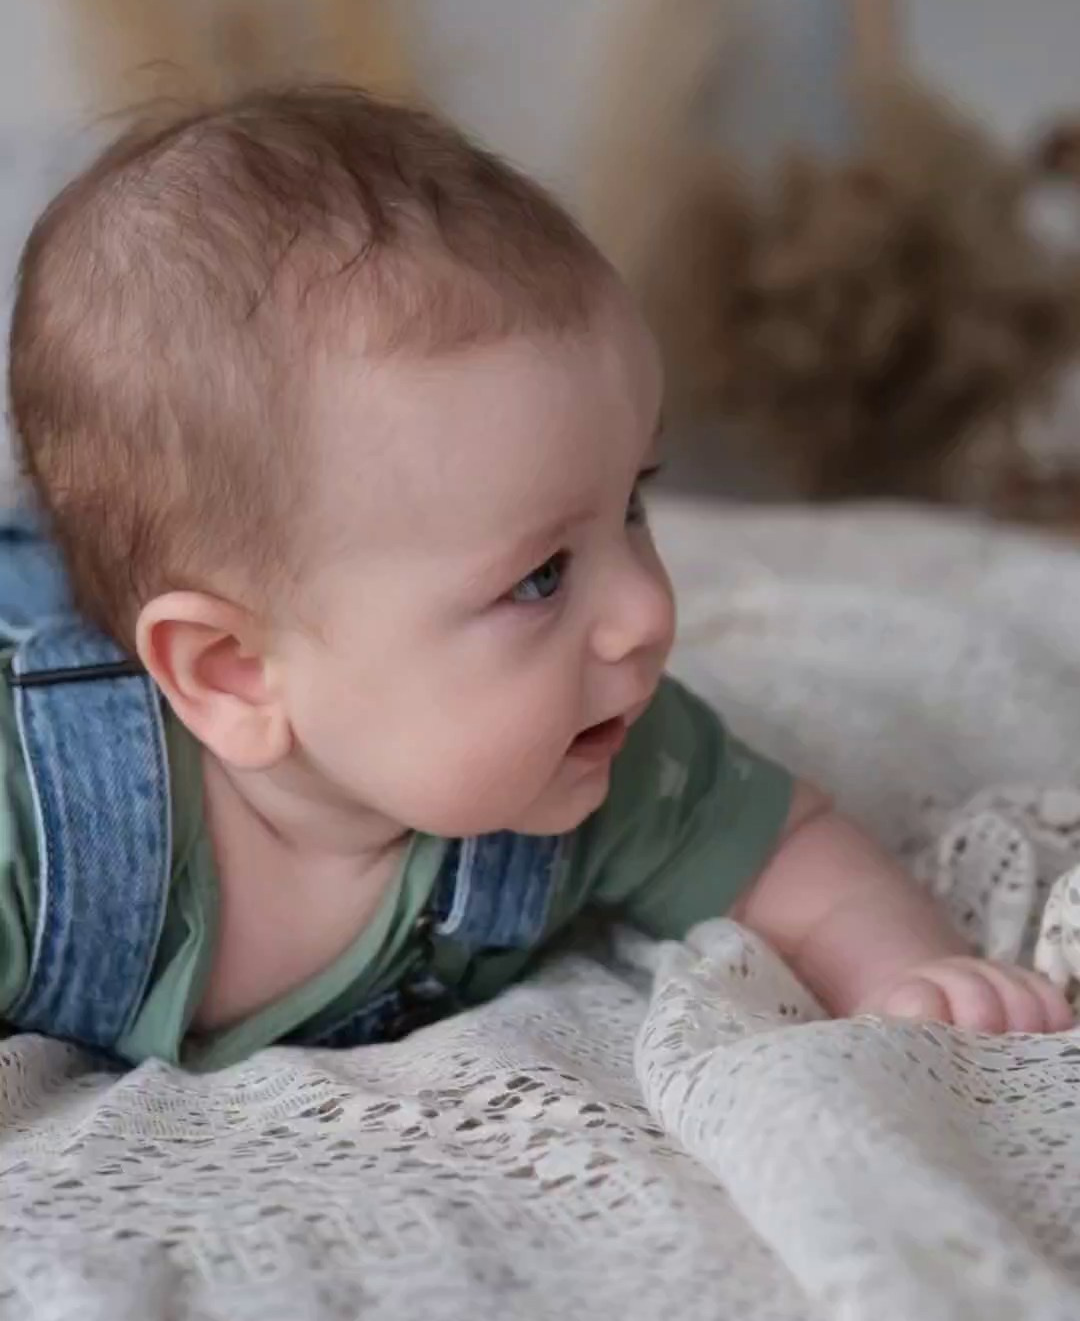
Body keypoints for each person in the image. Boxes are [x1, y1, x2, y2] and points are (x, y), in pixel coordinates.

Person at [0, 86, 1069, 1069]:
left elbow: (787, 854)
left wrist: (904, 973)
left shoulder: (594, 758)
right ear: (235, 672)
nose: (648, 613)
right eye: (541, 576)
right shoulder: (34, 838)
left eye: (636, 501)